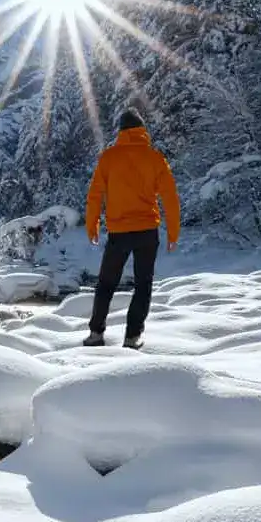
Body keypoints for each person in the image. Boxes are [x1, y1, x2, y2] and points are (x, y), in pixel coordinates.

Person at [81, 109, 181, 349]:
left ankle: (96, 333)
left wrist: (92, 224)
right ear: (142, 130)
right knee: (143, 284)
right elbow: (170, 198)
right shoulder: (155, 158)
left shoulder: (109, 158)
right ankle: (132, 336)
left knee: (106, 283)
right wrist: (173, 232)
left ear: (121, 131)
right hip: (147, 231)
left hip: (119, 232)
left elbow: (95, 195)